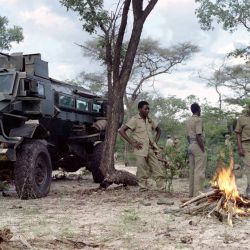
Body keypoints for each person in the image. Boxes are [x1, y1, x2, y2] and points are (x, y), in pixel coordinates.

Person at [118, 101, 166, 191]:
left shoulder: (150, 119)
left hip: (150, 149)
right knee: (142, 170)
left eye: (148, 109)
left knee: (157, 168)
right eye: (145, 109)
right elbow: (121, 131)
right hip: (140, 149)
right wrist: (132, 143)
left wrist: (154, 142)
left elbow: (159, 130)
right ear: (140, 109)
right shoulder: (134, 119)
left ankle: (161, 188)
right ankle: (143, 189)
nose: (147, 110)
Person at [186, 102, 207, 197]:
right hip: (197, 145)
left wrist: (191, 144)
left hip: (190, 145)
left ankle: (191, 194)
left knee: (192, 170)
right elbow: (199, 135)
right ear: (198, 110)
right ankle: (198, 194)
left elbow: (187, 136)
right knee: (199, 170)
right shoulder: (198, 120)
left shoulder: (188, 120)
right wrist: (203, 149)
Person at [235, 104, 250, 198]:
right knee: (249, 167)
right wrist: (240, 147)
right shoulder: (242, 118)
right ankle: (249, 189)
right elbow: (238, 134)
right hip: (246, 145)